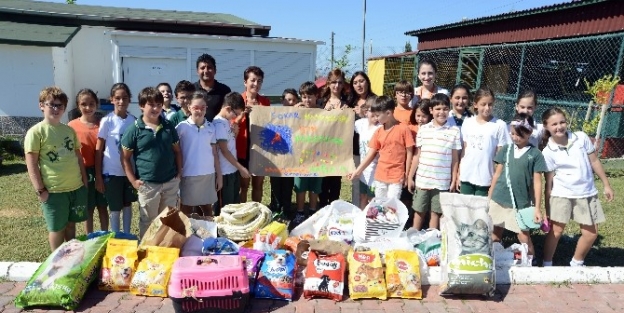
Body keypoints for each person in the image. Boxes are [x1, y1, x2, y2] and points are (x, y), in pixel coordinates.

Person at [540, 107, 614, 267]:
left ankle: (577, 263)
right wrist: (547, 210)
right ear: (546, 126)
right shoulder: (547, 152)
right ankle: (546, 264)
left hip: (587, 194)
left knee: (591, 234)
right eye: (554, 124)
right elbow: (549, 184)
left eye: (562, 122)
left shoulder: (581, 138)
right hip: (562, 196)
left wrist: (606, 184)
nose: (559, 126)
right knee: (556, 231)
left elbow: (594, 161)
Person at [25, 86, 88, 251]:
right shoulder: (36, 132)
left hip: (75, 187)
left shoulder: (68, 130)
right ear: (41, 105)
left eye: (60, 105)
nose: (56, 108)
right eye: (51, 104)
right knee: (57, 229)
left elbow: (78, 157)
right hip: (54, 190)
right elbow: (31, 163)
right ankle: (57, 262)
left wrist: (84, 180)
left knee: (70, 225)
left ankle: (70, 259)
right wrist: (40, 190)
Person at [121, 87, 182, 237]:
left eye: (159, 105)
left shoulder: (168, 126)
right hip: (148, 185)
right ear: (142, 105)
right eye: (151, 105)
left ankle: (164, 249)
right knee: (148, 220)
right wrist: (133, 181)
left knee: (167, 218)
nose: (155, 108)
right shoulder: (134, 130)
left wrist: (179, 172)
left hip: (170, 182)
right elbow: (125, 158)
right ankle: (147, 250)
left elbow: (177, 151)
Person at [488, 113, 548, 259]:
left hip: (520, 203)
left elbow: (537, 182)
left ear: (529, 132)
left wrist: (537, 209)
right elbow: (497, 174)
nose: (515, 137)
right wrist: (489, 196)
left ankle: (531, 261)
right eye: (513, 133)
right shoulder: (506, 149)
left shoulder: (536, 154)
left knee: (523, 235)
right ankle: (494, 258)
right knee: (495, 232)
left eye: (519, 135)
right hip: (499, 198)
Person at [407, 94, 461, 230]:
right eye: (437, 109)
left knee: (436, 213)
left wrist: (454, 179)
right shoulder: (423, 130)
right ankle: (415, 237)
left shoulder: (454, 131)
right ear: (431, 110)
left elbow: (455, 159)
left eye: (445, 109)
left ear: (449, 110)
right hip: (422, 180)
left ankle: (432, 242)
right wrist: (410, 176)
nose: (441, 112)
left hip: (442, 182)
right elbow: (417, 155)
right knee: (419, 212)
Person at [348, 96, 414, 200]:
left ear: (388, 113)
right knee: (379, 205)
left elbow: (409, 152)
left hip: (396, 177)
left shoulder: (403, 129)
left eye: (378, 115)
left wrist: (407, 174)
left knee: (392, 205)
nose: (376, 118)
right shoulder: (379, 131)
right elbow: (371, 154)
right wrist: (358, 171)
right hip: (380, 176)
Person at [96, 83, 137, 234]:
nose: (121, 102)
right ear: (111, 99)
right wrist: (99, 176)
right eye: (117, 98)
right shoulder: (107, 121)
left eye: (124, 98)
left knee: (127, 203)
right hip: (111, 171)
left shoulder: (133, 120)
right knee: (115, 206)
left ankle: (126, 235)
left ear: (129, 99)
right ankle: (115, 235)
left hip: (128, 172)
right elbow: (99, 149)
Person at [68, 88, 109, 234]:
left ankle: (106, 236)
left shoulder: (103, 125)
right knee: (88, 208)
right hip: (83, 172)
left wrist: (99, 176)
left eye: (91, 104)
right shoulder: (72, 126)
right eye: (84, 104)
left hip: (102, 171)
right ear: (78, 106)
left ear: (97, 104)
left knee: (103, 207)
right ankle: (89, 237)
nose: (88, 107)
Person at [176, 91, 222, 216]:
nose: (199, 111)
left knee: (207, 209)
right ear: (189, 107)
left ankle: (209, 235)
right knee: (185, 210)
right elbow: (176, 152)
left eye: (203, 107)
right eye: (196, 107)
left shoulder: (210, 127)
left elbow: (215, 154)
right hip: (188, 175)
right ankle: (184, 235)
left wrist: (219, 175)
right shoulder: (181, 128)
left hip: (208, 175)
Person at [459, 87, 510, 196]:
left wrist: (496, 178)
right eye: (483, 104)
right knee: (464, 210)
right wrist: (459, 172)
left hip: (486, 178)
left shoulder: (500, 125)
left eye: (490, 104)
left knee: (481, 211)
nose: (487, 108)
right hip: (466, 176)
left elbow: (501, 155)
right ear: (475, 104)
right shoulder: (468, 122)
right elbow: (464, 149)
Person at [234, 66, 271, 203]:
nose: (256, 84)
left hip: (260, 150)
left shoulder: (265, 102)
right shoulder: (237, 100)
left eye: (259, 81)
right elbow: (231, 124)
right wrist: (243, 115)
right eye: (253, 80)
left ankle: (257, 211)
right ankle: (244, 213)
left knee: (258, 184)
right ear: (245, 82)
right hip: (242, 149)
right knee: (243, 186)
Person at [292, 82, 323, 224]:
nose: (307, 100)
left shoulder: (323, 113)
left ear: (316, 96)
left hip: (318, 157)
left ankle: (312, 211)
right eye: (304, 97)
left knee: (315, 185)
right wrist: (293, 110)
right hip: (300, 157)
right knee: (300, 186)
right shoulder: (297, 112)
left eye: (310, 97)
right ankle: (299, 212)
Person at [215, 92, 250, 212]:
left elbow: (230, 143)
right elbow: (224, 151)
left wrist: (235, 132)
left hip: (232, 170)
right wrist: (241, 168)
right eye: (236, 114)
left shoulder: (226, 122)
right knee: (226, 208)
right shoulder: (218, 124)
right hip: (225, 173)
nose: (236, 117)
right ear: (228, 108)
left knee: (234, 204)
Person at [320, 68, 349, 208]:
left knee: (335, 181)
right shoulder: (320, 102)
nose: (336, 85)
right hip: (321, 149)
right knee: (322, 181)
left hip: (338, 150)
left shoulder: (347, 103)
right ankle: (322, 207)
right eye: (334, 82)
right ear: (328, 84)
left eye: (340, 82)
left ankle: (333, 208)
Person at [348, 71, 377, 206]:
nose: (358, 85)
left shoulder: (376, 100)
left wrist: (362, 115)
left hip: (373, 152)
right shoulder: (350, 100)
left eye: (361, 81)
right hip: (354, 148)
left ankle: (372, 213)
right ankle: (357, 209)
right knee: (357, 183)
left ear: (367, 82)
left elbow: (378, 121)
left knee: (371, 186)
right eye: (355, 82)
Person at [270, 89, 298, 217]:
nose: (290, 102)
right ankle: (276, 208)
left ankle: (286, 209)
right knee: (275, 184)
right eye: (287, 100)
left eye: (293, 100)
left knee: (288, 184)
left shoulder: (300, 115)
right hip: (276, 158)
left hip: (291, 159)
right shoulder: (275, 115)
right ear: (282, 101)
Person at [353, 97, 381, 209]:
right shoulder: (360, 124)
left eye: (378, 113)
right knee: (362, 197)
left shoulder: (380, 128)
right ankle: (361, 219)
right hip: (364, 173)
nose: (375, 117)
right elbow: (344, 124)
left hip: (375, 172)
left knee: (372, 200)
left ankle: (370, 222)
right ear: (366, 111)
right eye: (372, 112)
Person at [194, 54, 232, 122]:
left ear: (215, 70)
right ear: (197, 71)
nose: (206, 71)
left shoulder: (224, 90)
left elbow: (229, 113)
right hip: (196, 131)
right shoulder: (192, 90)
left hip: (218, 131)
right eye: (202, 68)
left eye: (209, 67)